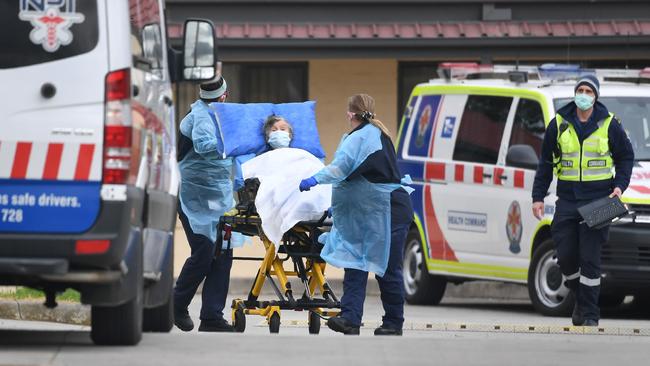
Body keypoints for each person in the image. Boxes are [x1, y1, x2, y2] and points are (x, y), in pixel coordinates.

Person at [299, 94, 413, 336]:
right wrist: (340, 206)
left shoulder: (361, 137)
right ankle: (350, 319)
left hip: (386, 212)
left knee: (386, 269)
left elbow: (340, 169)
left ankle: (393, 323)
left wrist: (314, 179)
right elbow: (361, 178)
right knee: (356, 263)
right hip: (373, 212)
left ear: (350, 113)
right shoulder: (374, 133)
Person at [532, 75, 634, 326]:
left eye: (589, 91)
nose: (584, 94)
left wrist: (620, 186)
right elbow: (545, 163)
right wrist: (537, 196)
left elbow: (625, 158)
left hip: (599, 199)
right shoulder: (558, 123)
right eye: (581, 90)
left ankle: (589, 314)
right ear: (575, 93)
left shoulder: (609, 124)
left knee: (590, 258)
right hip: (567, 198)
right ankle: (580, 297)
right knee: (565, 255)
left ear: (595, 96)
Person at [173, 76, 236, 332]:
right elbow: (203, 146)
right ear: (224, 95)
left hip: (219, 197)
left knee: (223, 255)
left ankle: (211, 317)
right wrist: (233, 143)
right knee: (204, 253)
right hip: (194, 197)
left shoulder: (223, 116)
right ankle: (176, 305)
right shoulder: (199, 115)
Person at [234, 115, 294, 190]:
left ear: (290, 135)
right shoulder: (257, 159)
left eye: (282, 129)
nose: (279, 132)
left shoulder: (301, 155)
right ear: (267, 137)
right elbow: (241, 184)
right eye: (274, 130)